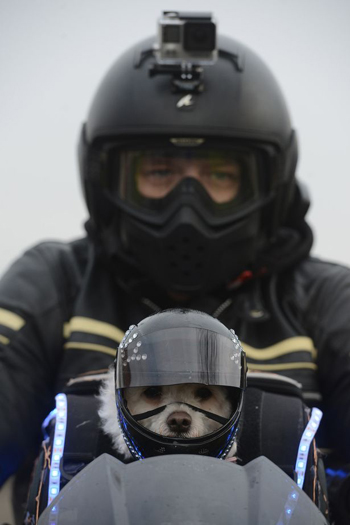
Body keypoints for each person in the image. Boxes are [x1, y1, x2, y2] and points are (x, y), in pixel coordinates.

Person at [0, 10, 349, 523]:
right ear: (107, 180)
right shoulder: (57, 283)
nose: (189, 207)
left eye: (219, 175)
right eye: (160, 171)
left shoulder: (325, 301)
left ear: (268, 184)